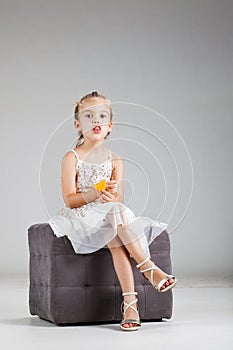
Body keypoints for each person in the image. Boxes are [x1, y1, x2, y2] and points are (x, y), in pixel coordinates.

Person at [48, 90, 177, 331]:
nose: (96, 121)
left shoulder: (115, 160)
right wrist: (96, 194)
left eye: (101, 116)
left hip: (109, 216)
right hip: (82, 216)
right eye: (88, 116)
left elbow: (117, 199)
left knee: (116, 229)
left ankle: (131, 305)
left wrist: (107, 196)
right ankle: (148, 270)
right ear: (77, 124)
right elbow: (70, 199)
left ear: (109, 126)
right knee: (114, 219)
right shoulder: (72, 157)